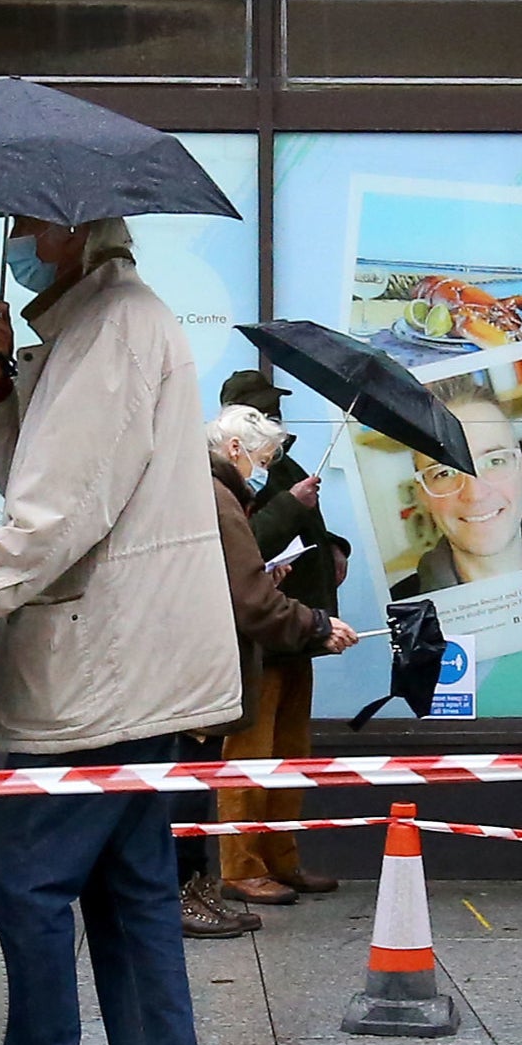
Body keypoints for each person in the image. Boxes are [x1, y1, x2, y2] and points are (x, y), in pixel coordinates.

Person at [0, 215, 241, 1045]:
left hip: (107, 660)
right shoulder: (95, 325)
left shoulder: (111, 329)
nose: (13, 237)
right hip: (135, 661)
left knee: (21, 876)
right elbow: (37, 478)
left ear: (71, 227)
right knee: (132, 885)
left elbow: (63, 508)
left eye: (24, 222)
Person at [176, 404, 359, 935]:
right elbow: (246, 581)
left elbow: (242, 569)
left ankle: (264, 861)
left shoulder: (229, 485)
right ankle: (229, 873)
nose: (267, 461)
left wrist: (327, 550)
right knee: (230, 766)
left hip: (274, 640)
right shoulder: (216, 491)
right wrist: (315, 624)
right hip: (247, 647)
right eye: (262, 453)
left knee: (282, 756)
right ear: (235, 447)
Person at [214, 368, 355, 906]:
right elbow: (243, 543)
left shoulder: (279, 460)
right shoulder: (230, 473)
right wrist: (292, 503)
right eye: (264, 410)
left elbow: (303, 527)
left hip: (297, 633)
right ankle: (240, 865)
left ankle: (281, 858)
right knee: (250, 755)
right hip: (260, 642)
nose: (275, 419)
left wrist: (335, 545)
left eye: (275, 409)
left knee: (290, 754)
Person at [391, 380, 522, 598]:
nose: (475, 494)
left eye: (494, 462)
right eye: (445, 473)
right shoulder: (392, 612)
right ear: (423, 494)